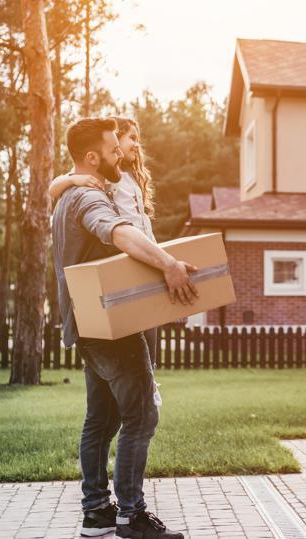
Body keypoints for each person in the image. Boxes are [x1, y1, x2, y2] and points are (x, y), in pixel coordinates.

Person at [52, 117, 192, 539]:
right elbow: (119, 231)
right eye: (114, 150)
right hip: (112, 328)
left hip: (88, 325)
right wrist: (169, 264)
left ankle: (96, 512)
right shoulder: (86, 199)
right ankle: (131, 516)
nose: (121, 155)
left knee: (101, 419)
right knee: (142, 415)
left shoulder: (69, 196)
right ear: (93, 156)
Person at [49, 117, 160, 366]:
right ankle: (147, 389)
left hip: (145, 255)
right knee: (135, 354)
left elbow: (143, 226)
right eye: (130, 138)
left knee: (148, 346)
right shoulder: (103, 176)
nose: (134, 145)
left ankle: (150, 381)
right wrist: (72, 180)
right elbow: (53, 187)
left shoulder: (129, 178)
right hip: (129, 256)